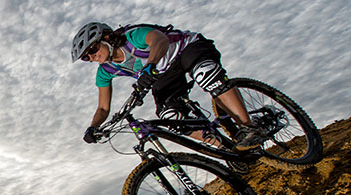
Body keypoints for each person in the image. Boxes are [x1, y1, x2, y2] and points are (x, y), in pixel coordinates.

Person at [72, 22, 267, 150]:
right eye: (86, 57)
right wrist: (93, 127)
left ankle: (249, 127)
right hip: (164, 74)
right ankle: (227, 148)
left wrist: (150, 66)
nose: (92, 56)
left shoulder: (132, 37)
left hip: (186, 48)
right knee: (171, 119)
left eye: (93, 49)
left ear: (106, 37)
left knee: (206, 76)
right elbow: (103, 107)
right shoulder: (105, 71)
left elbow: (160, 40)